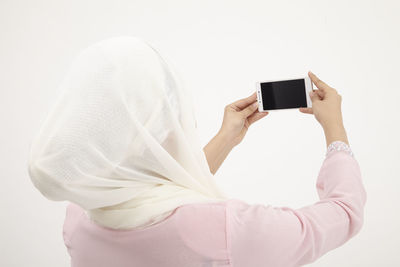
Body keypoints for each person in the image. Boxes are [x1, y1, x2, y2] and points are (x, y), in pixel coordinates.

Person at [28, 36, 366, 267]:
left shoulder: (78, 217)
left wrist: (226, 138)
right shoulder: (223, 230)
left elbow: (154, 196)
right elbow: (344, 212)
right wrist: (334, 126)